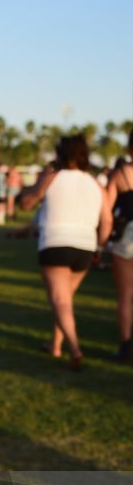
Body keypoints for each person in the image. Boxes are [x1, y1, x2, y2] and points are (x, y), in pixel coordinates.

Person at [21, 134, 112, 369]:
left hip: (55, 242)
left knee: (60, 301)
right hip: (85, 246)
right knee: (65, 300)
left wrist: (36, 186)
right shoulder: (95, 183)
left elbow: (27, 203)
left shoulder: (53, 177)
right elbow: (107, 220)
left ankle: (74, 349)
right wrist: (100, 246)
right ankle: (56, 346)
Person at [106, 133, 133, 362]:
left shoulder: (120, 174)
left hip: (126, 235)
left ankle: (125, 346)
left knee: (125, 295)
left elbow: (107, 210)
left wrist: (101, 241)